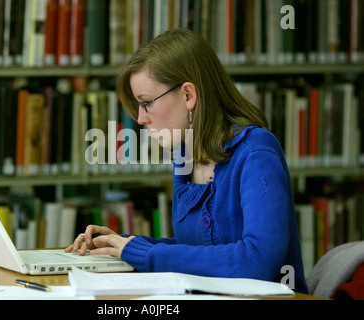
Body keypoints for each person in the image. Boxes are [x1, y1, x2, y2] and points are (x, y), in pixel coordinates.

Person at [65, 28, 308, 293]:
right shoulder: (185, 155)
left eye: (146, 103)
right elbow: (200, 253)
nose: (141, 118)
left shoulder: (256, 152)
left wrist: (144, 253)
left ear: (188, 95)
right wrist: (123, 245)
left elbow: (257, 261)